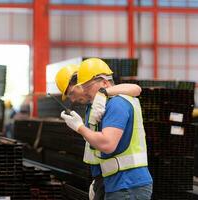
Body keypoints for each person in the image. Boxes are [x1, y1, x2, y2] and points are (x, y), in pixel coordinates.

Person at [60, 58, 153, 200]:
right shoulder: (98, 106)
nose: (84, 92)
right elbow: (97, 151)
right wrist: (98, 182)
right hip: (115, 183)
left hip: (128, 185)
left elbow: (107, 144)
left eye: (86, 86)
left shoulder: (117, 104)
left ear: (104, 82)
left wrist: (79, 127)